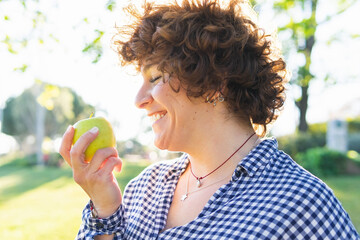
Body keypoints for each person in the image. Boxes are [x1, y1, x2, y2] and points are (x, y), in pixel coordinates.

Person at [59, 0, 360, 239]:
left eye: (154, 77)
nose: (139, 100)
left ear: (215, 81)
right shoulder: (143, 190)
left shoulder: (302, 204)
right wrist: (105, 206)